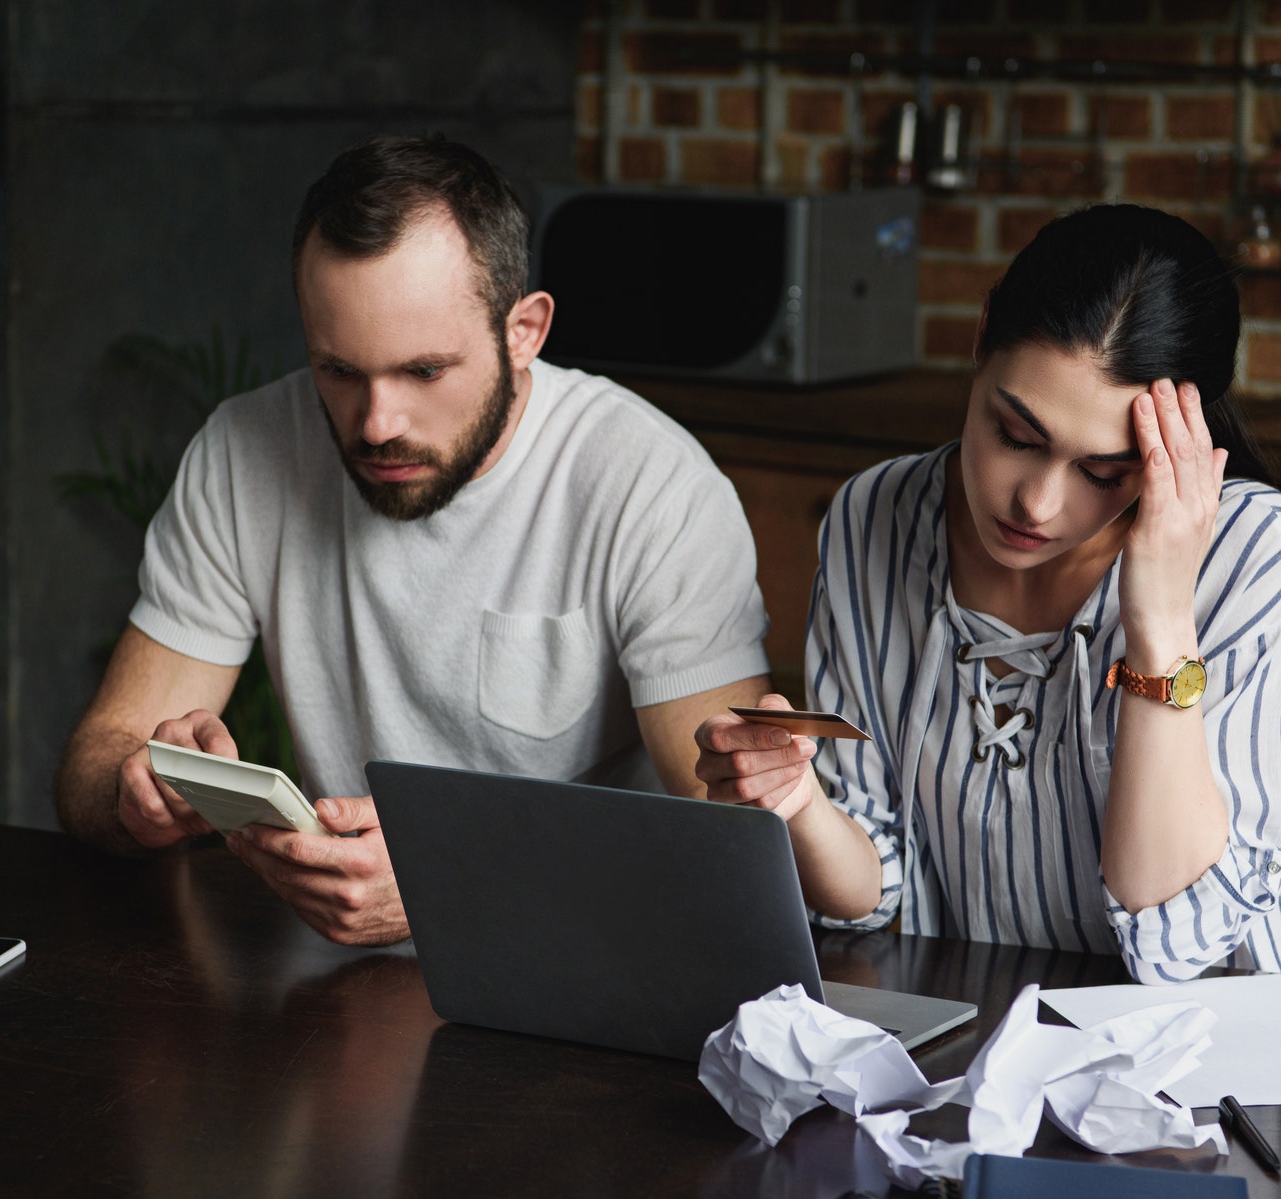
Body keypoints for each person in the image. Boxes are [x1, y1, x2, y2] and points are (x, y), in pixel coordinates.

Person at [57, 135, 772, 946]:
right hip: (339, 982)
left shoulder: (649, 484)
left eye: (424, 371)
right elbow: (94, 760)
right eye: (339, 371)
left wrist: (456, 877)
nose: (377, 423)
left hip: (584, 961)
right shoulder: (243, 451)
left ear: (524, 331)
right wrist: (136, 793)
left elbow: (733, 848)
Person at [694, 204, 1281, 983]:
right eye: (1016, 437)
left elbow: (1180, 947)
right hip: (978, 1044)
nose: (1037, 503)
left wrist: (1160, 614)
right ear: (983, 332)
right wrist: (795, 803)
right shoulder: (874, 517)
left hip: (1221, 1064)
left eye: (1103, 473)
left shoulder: (1253, 552)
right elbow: (871, 893)